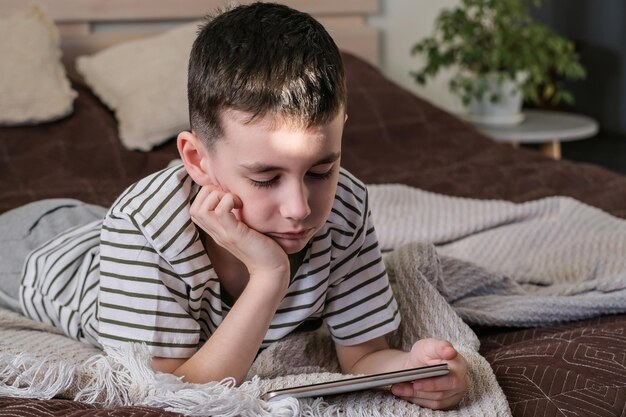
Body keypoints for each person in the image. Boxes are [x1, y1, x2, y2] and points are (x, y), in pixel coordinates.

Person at [0, 2, 468, 410]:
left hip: (94, 228)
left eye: (321, 171)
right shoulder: (141, 228)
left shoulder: (345, 208)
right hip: (36, 248)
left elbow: (363, 357)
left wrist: (414, 369)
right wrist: (270, 276)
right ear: (196, 159)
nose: (298, 208)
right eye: (265, 178)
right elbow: (168, 391)